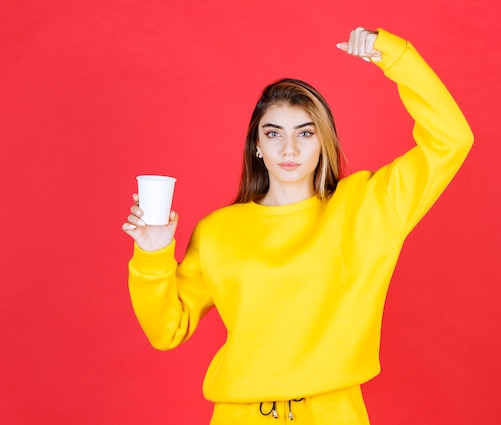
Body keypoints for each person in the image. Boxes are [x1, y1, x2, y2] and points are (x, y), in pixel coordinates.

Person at [123, 27, 473, 425]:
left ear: (323, 141)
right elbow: (167, 330)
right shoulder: (218, 231)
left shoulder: (368, 206)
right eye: (274, 134)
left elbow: (451, 139)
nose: (289, 149)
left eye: (305, 134)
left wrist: (394, 56)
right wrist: (152, 253)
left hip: (333, 414)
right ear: (257, 145)